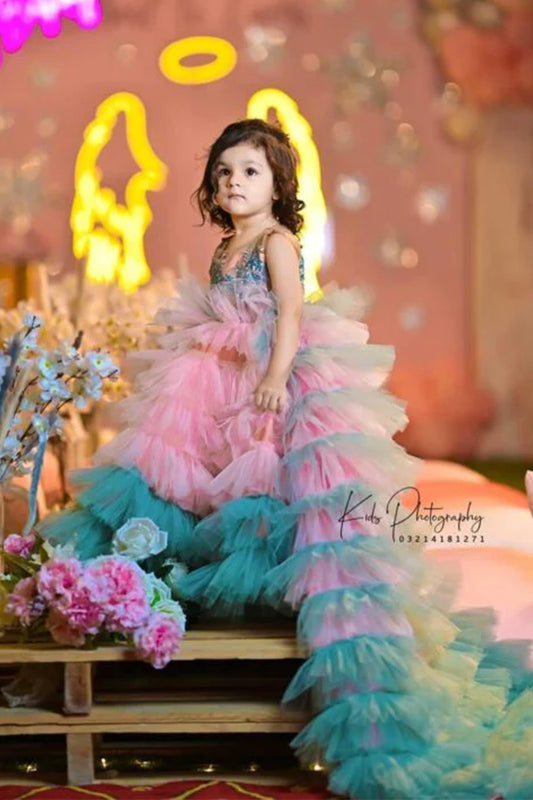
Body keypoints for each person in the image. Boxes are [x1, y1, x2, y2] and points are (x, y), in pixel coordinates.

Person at [40, 119, 532, 800]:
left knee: (269, 479)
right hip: (214, 381)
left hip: (267, 382)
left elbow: (292, 314)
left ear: (277, 185)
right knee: (181, 471)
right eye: (223, 173)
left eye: (248, 171)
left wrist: (273, 375)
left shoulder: (274, 242)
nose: (233, 183)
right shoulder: (223, 246)